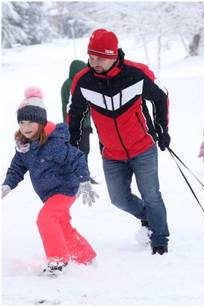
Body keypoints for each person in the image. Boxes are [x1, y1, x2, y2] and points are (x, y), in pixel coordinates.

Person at [67, 28, 171, 255]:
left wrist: (162, 129)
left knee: (151, 195)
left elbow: (161, 96)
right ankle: (148, 217)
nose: (94, 62)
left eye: (100, 58)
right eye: (91, 56)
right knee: (119, 199)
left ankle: (160, 240)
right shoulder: (83, 81)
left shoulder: (136, 73)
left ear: (113, 55)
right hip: (111, 153)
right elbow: (74, 114)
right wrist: (73, 144)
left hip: (143, 147)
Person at [2, 87, 98, 276]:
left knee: (46, 219)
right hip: (49, 193)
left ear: (40, 121)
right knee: (62, 225)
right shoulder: (24, 145)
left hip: (65, 189)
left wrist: (84, 182)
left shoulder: (53, 143)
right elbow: (17, 168)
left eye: (30, 121)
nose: (25, 126)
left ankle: (57, 261)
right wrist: (8, 184)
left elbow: (76, 158)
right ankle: (85, 256)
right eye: (21, 121)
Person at [61, 60, 99, 184]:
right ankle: (80, 177)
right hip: (78, 124)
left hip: (77, 124)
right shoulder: (73, 84)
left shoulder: (68, 84)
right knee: (81, 150)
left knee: (79, 150)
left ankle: (81, 175)